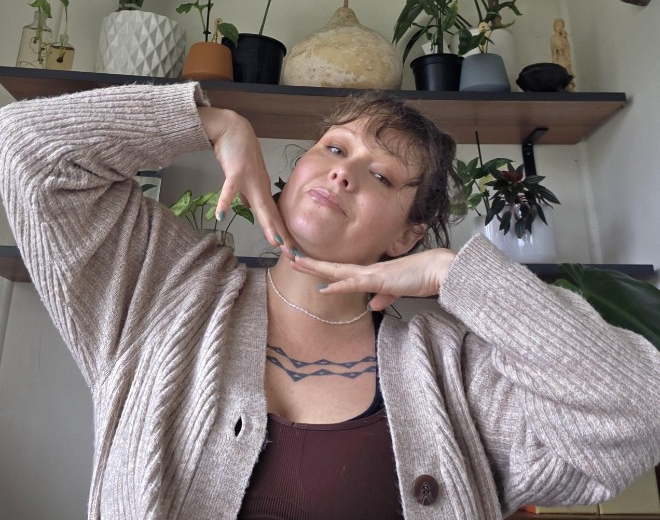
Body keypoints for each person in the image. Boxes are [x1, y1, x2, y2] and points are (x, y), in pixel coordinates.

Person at [0, 82, 658, 520]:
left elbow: (637, 411)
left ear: (407, 236)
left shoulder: (455, 372)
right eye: (334, 147)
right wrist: (208, 122)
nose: (344, 170)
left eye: (382, 176)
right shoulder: (164, 290)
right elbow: (27, 149)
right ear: (295, 174)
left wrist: (459, 272)